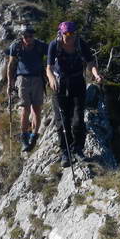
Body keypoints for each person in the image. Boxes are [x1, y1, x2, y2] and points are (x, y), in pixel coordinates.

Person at [46, 21, 103, 167]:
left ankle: (78, 149)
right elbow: (49, 67)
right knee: (62, 121)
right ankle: (65, 152)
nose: (69, 37)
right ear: (61, 33)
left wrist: (96, 75)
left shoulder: (80, 43)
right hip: (59, 85)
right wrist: (52, 79)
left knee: (78, 119)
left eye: (71, 33)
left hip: (78, 83)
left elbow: (90, 63)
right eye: (66, 34)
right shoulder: (55, 45)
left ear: (75, 33)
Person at [7, 26, 48, 152]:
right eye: (25, 36)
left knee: (36, 109)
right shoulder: (16, 47)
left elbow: (52, 56)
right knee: (25, 109)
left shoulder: (41, 45)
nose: (28, 39)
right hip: (22, 79)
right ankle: (24, 137)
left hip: (37, 79)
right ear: (21, 37)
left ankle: (34, 136)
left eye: (30, 36)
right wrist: (10, 84)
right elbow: (11, 65)